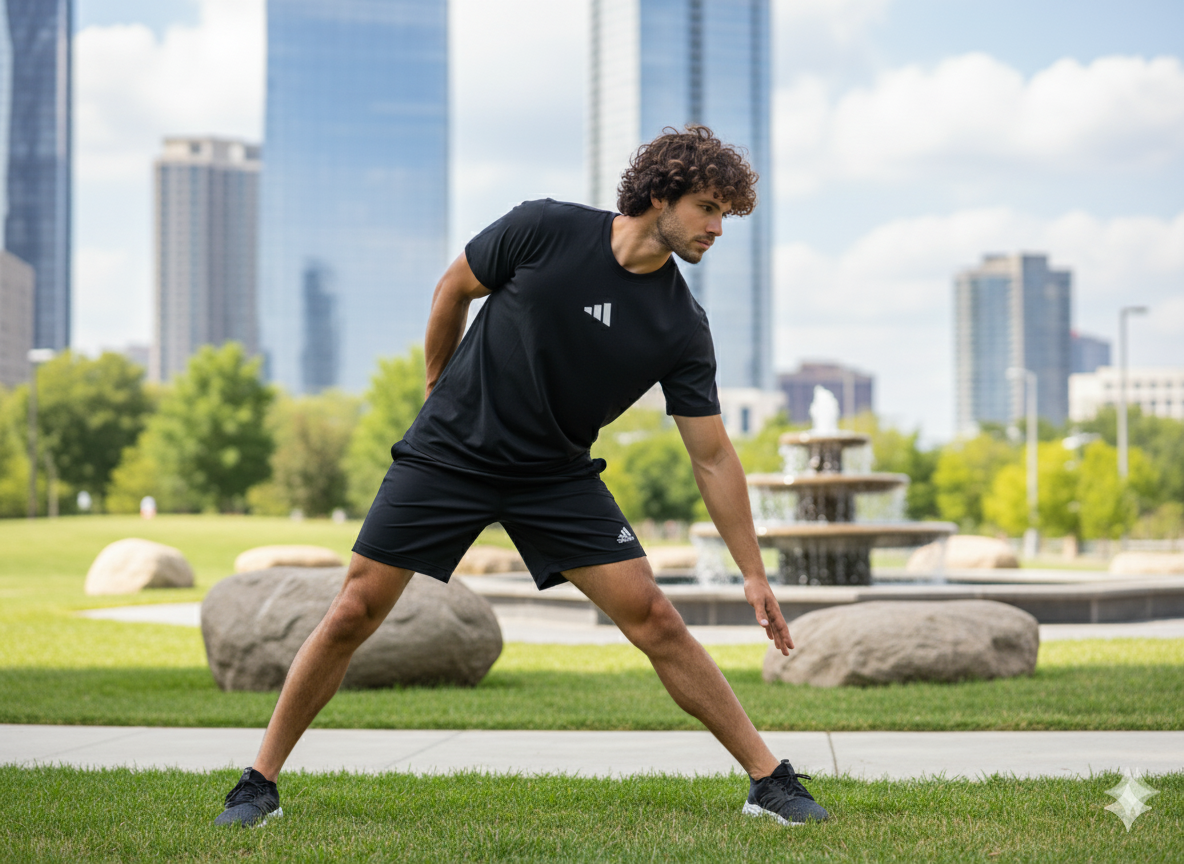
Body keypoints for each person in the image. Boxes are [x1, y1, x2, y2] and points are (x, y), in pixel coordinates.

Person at [216, 126, 828, 828]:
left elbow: (713, 455)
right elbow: (454, 288)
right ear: (660, 194)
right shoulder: (544, 228)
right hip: (449, 452)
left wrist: (752, 571)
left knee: (655, 615)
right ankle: (258, 782)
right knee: (354, 609)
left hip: (554, 476)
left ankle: (767, 779)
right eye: (708, 208)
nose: (719, 227)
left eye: (727, 213)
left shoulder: (680, 326)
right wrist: (437, 389)